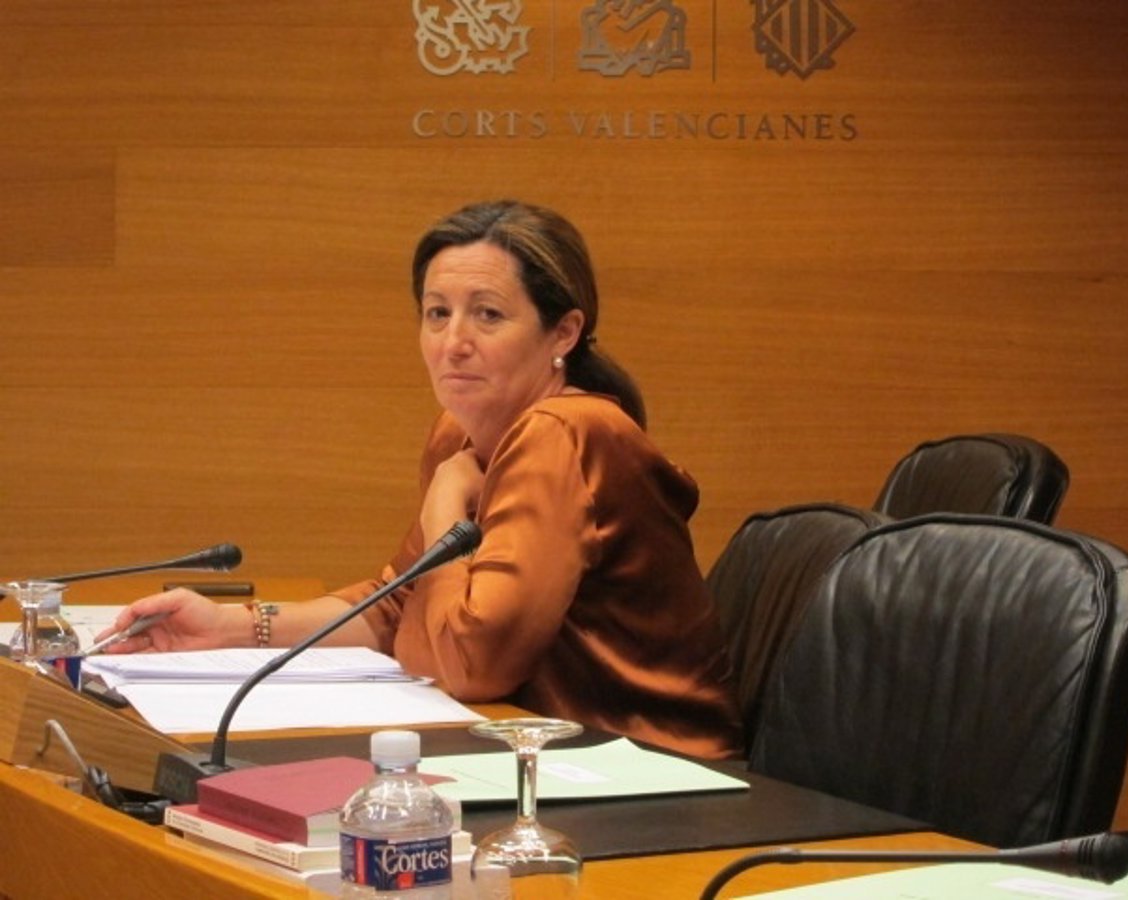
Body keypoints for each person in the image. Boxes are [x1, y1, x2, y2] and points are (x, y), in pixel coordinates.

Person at [98, 199, 743, 759]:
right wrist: (230, 628)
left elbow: (469, 663)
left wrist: (444, 503)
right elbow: (400, 605)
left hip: (653, 766)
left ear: (564, 332)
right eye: (437, 314)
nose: (453, 342)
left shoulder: (562, 432)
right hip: (539, 751)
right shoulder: (460, 434)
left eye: (488, 315)